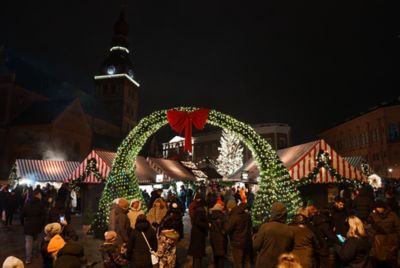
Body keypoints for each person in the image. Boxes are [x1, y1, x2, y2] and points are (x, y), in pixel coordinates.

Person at [253, 202, 294, 268]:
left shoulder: (265, 227)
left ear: (273, 213)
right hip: (280, 264)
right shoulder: (289, 230)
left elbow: (255, 246)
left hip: (264, 264)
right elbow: (290, 250)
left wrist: (254, 237)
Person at [368, 199, 400, 267]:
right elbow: (370, 228)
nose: (379, 209)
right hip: (378, 244)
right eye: (377, 207)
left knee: (390, 261)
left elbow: (398, 227)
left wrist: (397, 240)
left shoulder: (392, 215)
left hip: (390, 243)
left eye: (380, 207)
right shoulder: (372, 215)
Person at [225, 200, 253, 268]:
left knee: (238, 263)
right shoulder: (246, 215)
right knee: (247, 262)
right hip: (247, 242)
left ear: (230, 208)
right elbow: (250, 227)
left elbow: (226, 229)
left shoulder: (234, 216)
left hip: (237, 244)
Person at [22, 189, 46, 264]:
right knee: (35, 240)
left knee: (28, 242)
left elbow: (22, 214)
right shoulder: (41, 204)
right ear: (38, 194)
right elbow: (43, 216)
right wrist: (42, 225)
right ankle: (35, 254)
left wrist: (23, 223)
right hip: (37, 225)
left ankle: (28, 259)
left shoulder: (27, 203)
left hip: (28, 224)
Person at [188, 198, 209, 268]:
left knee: (196, 255)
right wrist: (206, 225)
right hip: (199, 235)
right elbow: (198, 222)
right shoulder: (201, 211)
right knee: (198, 255)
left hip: (196, 234)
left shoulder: (197, 209)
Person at [209, 203, 227, 268]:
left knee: (215, 255)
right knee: (221, 257)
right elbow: (224, 228)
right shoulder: (222, 216)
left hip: (213, 238)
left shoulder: (211, 216)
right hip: (221, 239)